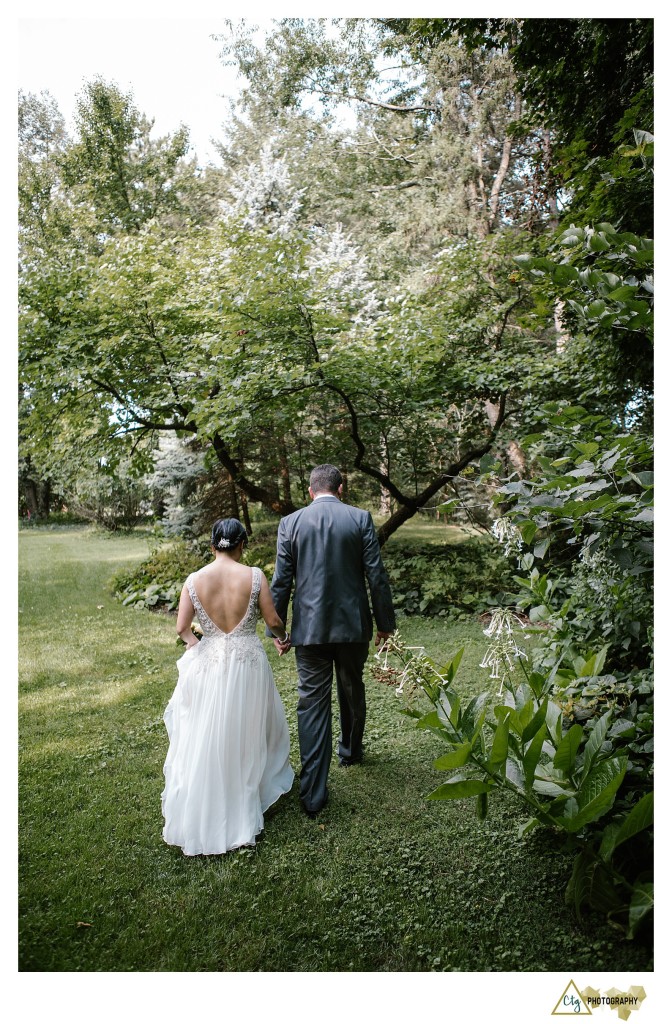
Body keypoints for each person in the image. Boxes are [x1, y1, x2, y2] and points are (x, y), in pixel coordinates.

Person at [269, 464, 396, 819]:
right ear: (341, 489)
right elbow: (376, 575)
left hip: (308, 632)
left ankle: (313, 794)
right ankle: (351, 752)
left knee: (312, 703)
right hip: (353, 626)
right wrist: (385, 624)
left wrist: (278, 632)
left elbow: (281, 582)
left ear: (310, 492)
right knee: (352, 688)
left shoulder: (290, 524)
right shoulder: (359, 518)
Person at [161, 518, 294, 856]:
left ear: (212, 545)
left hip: (211, 664)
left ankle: (209, 796)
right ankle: (245, 796)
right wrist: (283, 639)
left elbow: (181, 628)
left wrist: (195, 645)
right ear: (241, 545)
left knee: (208, 731)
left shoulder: (194, 580)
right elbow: (274, 620)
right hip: (247, 662)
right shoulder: (253, 576)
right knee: (249, 731)